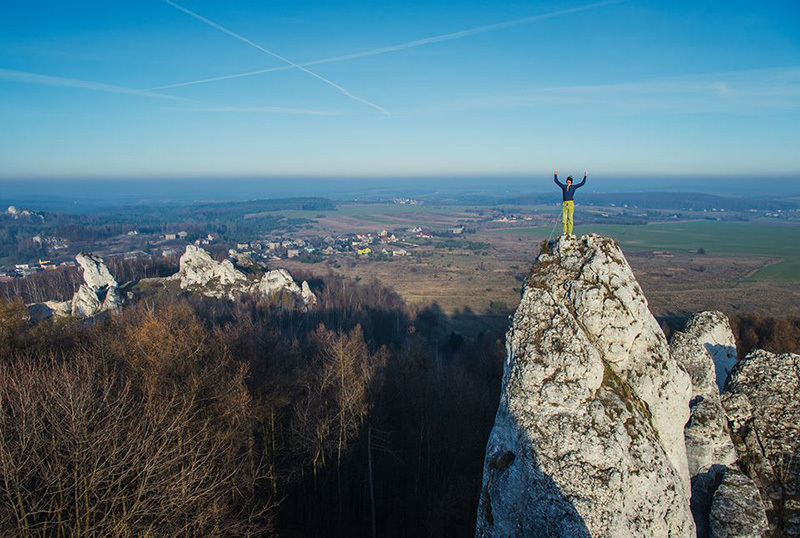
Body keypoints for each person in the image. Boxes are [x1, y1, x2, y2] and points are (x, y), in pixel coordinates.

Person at [554, 169, 587, 236]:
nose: (568, 181)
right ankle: (564, 232)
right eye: (568, 180)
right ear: (566, 181)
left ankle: (569, 232)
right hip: (564, 204)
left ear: (571, 182)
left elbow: (582, 183)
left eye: (569, 181)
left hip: (571, 204)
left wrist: (585, 176)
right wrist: (555, 175)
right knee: (564, 219)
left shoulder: (573, 187)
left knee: (570, 219)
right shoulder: (564, 186)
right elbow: (556, 181)